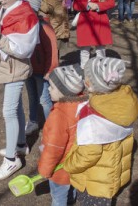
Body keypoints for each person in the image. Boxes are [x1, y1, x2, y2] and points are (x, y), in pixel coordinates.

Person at [64, 57, 138, 206]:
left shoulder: (93, 118)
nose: (84, 81)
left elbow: (89, 153)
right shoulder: (120, 103)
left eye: (87, 77)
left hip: (93, 180)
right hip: (109, 175)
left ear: (93, 84)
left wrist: (69, 164)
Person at [0, 0, 39, 180]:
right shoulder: (7, 8)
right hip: (7, 65)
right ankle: (20, 146)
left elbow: (22, 49)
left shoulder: (26, 16)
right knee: (15, 108)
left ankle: (11, 160)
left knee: (8, 111)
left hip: (16, 66)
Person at [38, 63, 87, 206]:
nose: (48, 89)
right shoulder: (83, 104)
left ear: (65, 91)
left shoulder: (59, 116)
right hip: (76, 162)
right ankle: (71, 200)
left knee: (58, 196)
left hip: (59, 169)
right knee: (71, 185)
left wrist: (45, 169)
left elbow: (54, 147)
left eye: (52, 87)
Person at [22, 0, 59, 136]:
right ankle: (33, 121)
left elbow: (53, 51)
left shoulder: (44, 27)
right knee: (32, 97)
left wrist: (50, 70)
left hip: (42, 71)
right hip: (27, 70)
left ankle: (51, 128)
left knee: (44, 99)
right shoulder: (24, 25)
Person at [73, 0, 115, 69]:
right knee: (84, 48)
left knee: (100, 48)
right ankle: (84, 69)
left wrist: (98, 6)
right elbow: (75, 5)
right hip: (85, 20)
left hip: (100, 19)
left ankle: (101, 69)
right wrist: (86, 5)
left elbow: (111, 2)